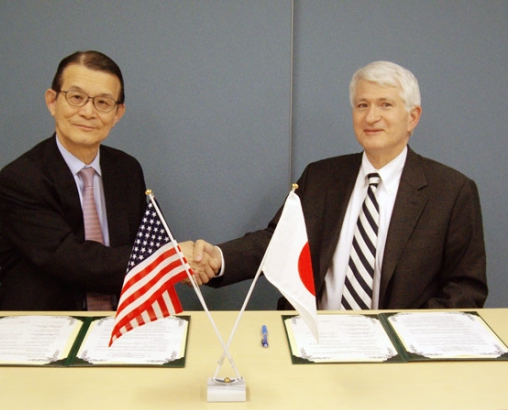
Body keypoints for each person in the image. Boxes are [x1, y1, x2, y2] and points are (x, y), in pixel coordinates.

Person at [188, 61, 487, 310]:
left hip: (399, 350)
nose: (371, 117)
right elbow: (276, 243)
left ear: (412, 117)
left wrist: (402, 335)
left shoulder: (451, 192)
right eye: (362, 105)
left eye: (385, 104)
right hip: (314, 340)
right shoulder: (320, 177)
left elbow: (466, 288)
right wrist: (218, 258)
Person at [0, 50, 147, 310]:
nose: (88, 112)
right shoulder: (20, 179)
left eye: (103, 102)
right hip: (41, 326)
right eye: (76, 98)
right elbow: (72, 260)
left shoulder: (127, 170)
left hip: (120, 323)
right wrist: (168, 260)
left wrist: (172, 257)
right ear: (52, 101)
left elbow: (150, 243)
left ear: (117, 113)